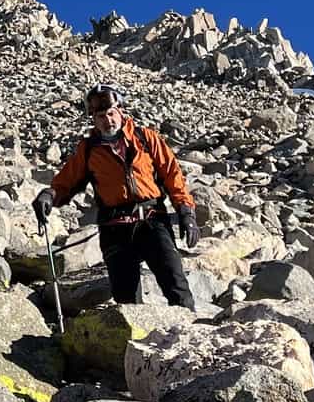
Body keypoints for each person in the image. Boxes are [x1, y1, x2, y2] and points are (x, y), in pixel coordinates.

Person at [36, 83, 199, 308]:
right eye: (100, 115)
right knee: (126, 300)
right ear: (93, 118)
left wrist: (186, 212)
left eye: (111, 113)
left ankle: (189, 336)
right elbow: (66, 182)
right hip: (115, 229)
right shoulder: (89, 149)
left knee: (176, 286)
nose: (107, 120)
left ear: (121, 111)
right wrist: (48, 195)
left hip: (152, 221)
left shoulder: (145, 138)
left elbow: (173, 176)